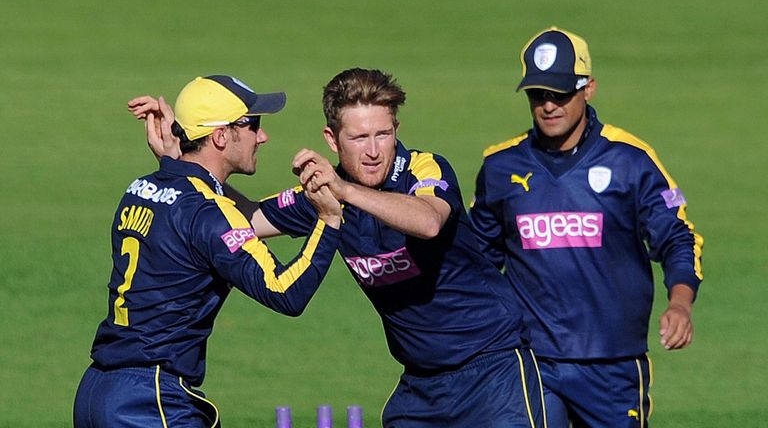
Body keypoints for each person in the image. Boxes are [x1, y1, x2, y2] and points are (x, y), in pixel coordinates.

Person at [133, 68, 545, 427]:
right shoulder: (321, 197)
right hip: (420, 385)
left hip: (494, 371)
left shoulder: (423, 168)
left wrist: (344, 191)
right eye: (360, 136)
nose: (373, 150)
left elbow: (428, 221)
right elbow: (249, 219)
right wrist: (184, 163)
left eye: (383, 134)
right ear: (332, 139)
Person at [74, 75, 342, 428]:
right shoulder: (208, 213)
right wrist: (329, 219)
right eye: (252, 125)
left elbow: (222, 212)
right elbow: (285, 292)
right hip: (148, 400)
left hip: (97, 391)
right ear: (220, 135)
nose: (262, 136)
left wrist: (176, 160)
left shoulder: (141, 188)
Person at [468, 27, 704, 427]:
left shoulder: (632, 160)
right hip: (531, 361)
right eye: (538, 95)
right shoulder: (500, 167)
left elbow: (679, 236)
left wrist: (680, 303)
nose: (548, 106)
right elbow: (476, 260)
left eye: (560, 94)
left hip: (612, 365)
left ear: (589, 88)